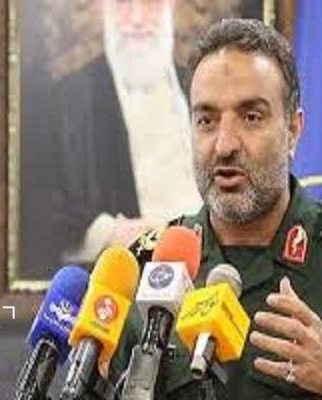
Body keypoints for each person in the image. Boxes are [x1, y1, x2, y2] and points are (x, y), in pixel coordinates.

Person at [111, 18, 322, 398]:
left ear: (293, 130)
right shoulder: (148, 271)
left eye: (251, 117)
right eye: (206, 120)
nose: (224, 144)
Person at [48, 0, 202, 265]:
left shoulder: (200, 87)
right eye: (122, 3)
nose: (136, 20)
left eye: (150, 3)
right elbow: (47, 212)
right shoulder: (68, 101)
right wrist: (110, 234)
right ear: (103, 9)